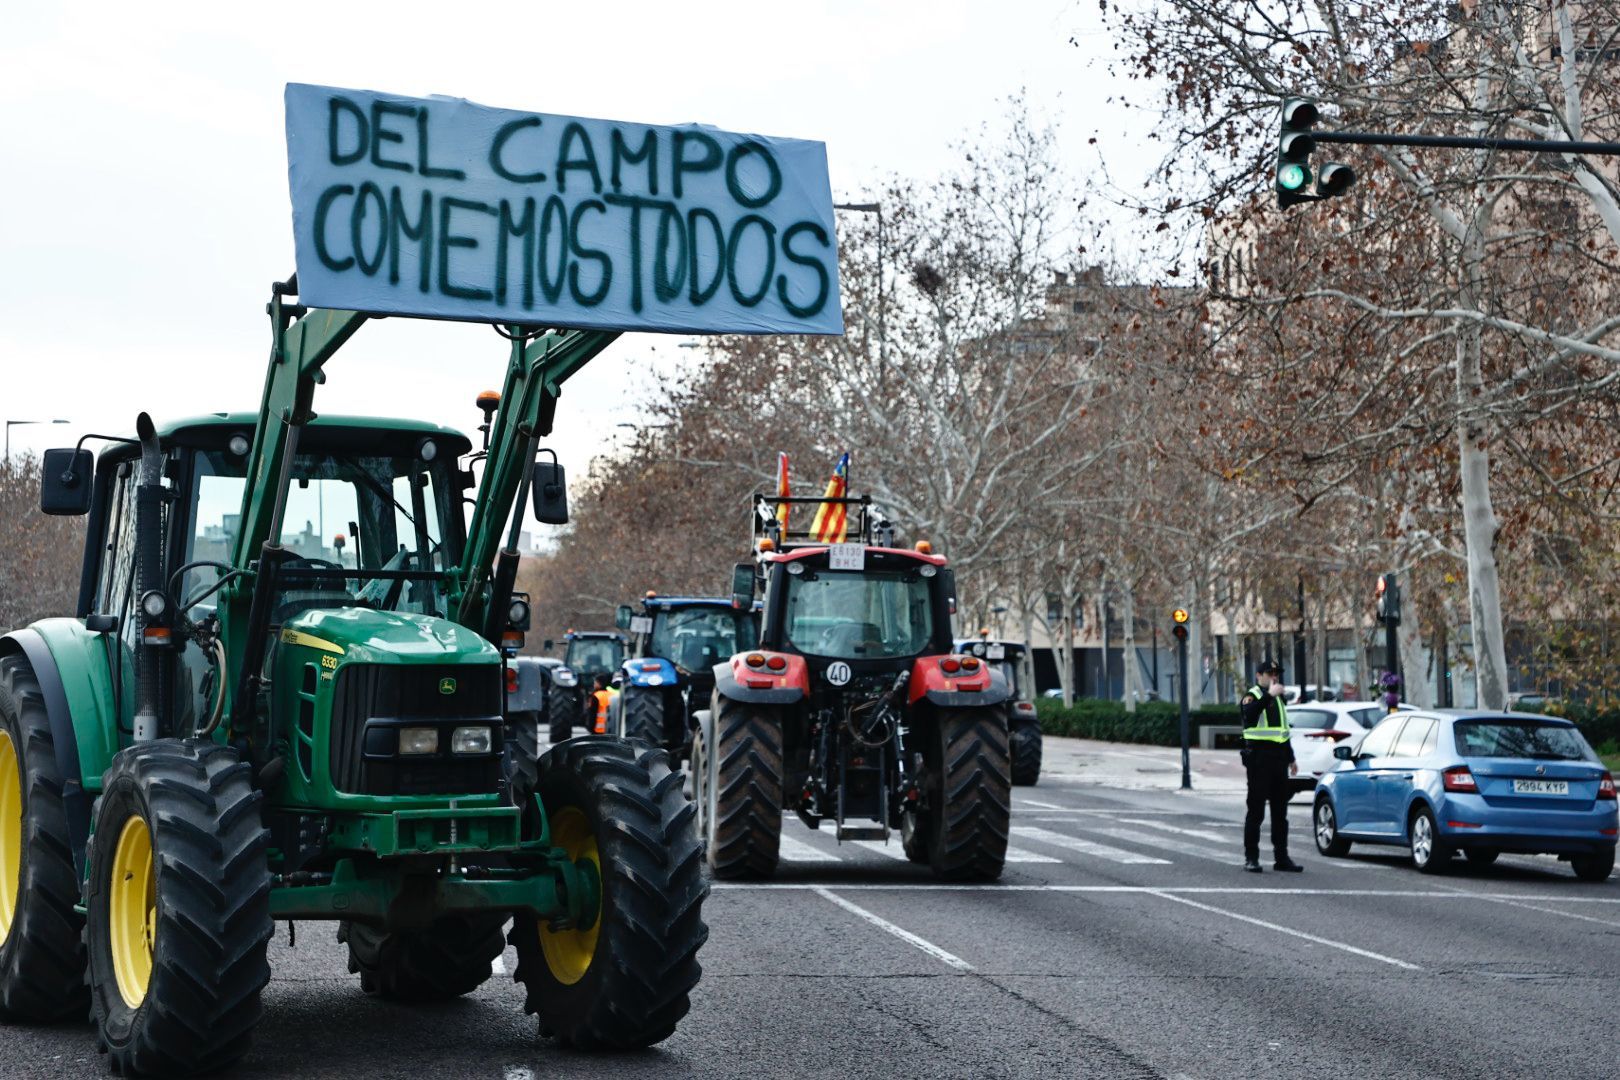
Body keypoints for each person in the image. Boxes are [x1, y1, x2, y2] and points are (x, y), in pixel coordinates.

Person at [1240, 659, 1302, 874]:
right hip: (1259, 759)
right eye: (1269, 673)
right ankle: (1251, 857)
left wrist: (1292, 758)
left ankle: (1281, 857)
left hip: (1278, 760)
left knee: (1280, 812)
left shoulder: (1278, 700)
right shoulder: (1254, 696)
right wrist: (1269, 695)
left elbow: (1283, 732)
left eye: (1276, 673)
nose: (1273, 677)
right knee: (1256, 811)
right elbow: (1249, 715)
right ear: (1259, 676)